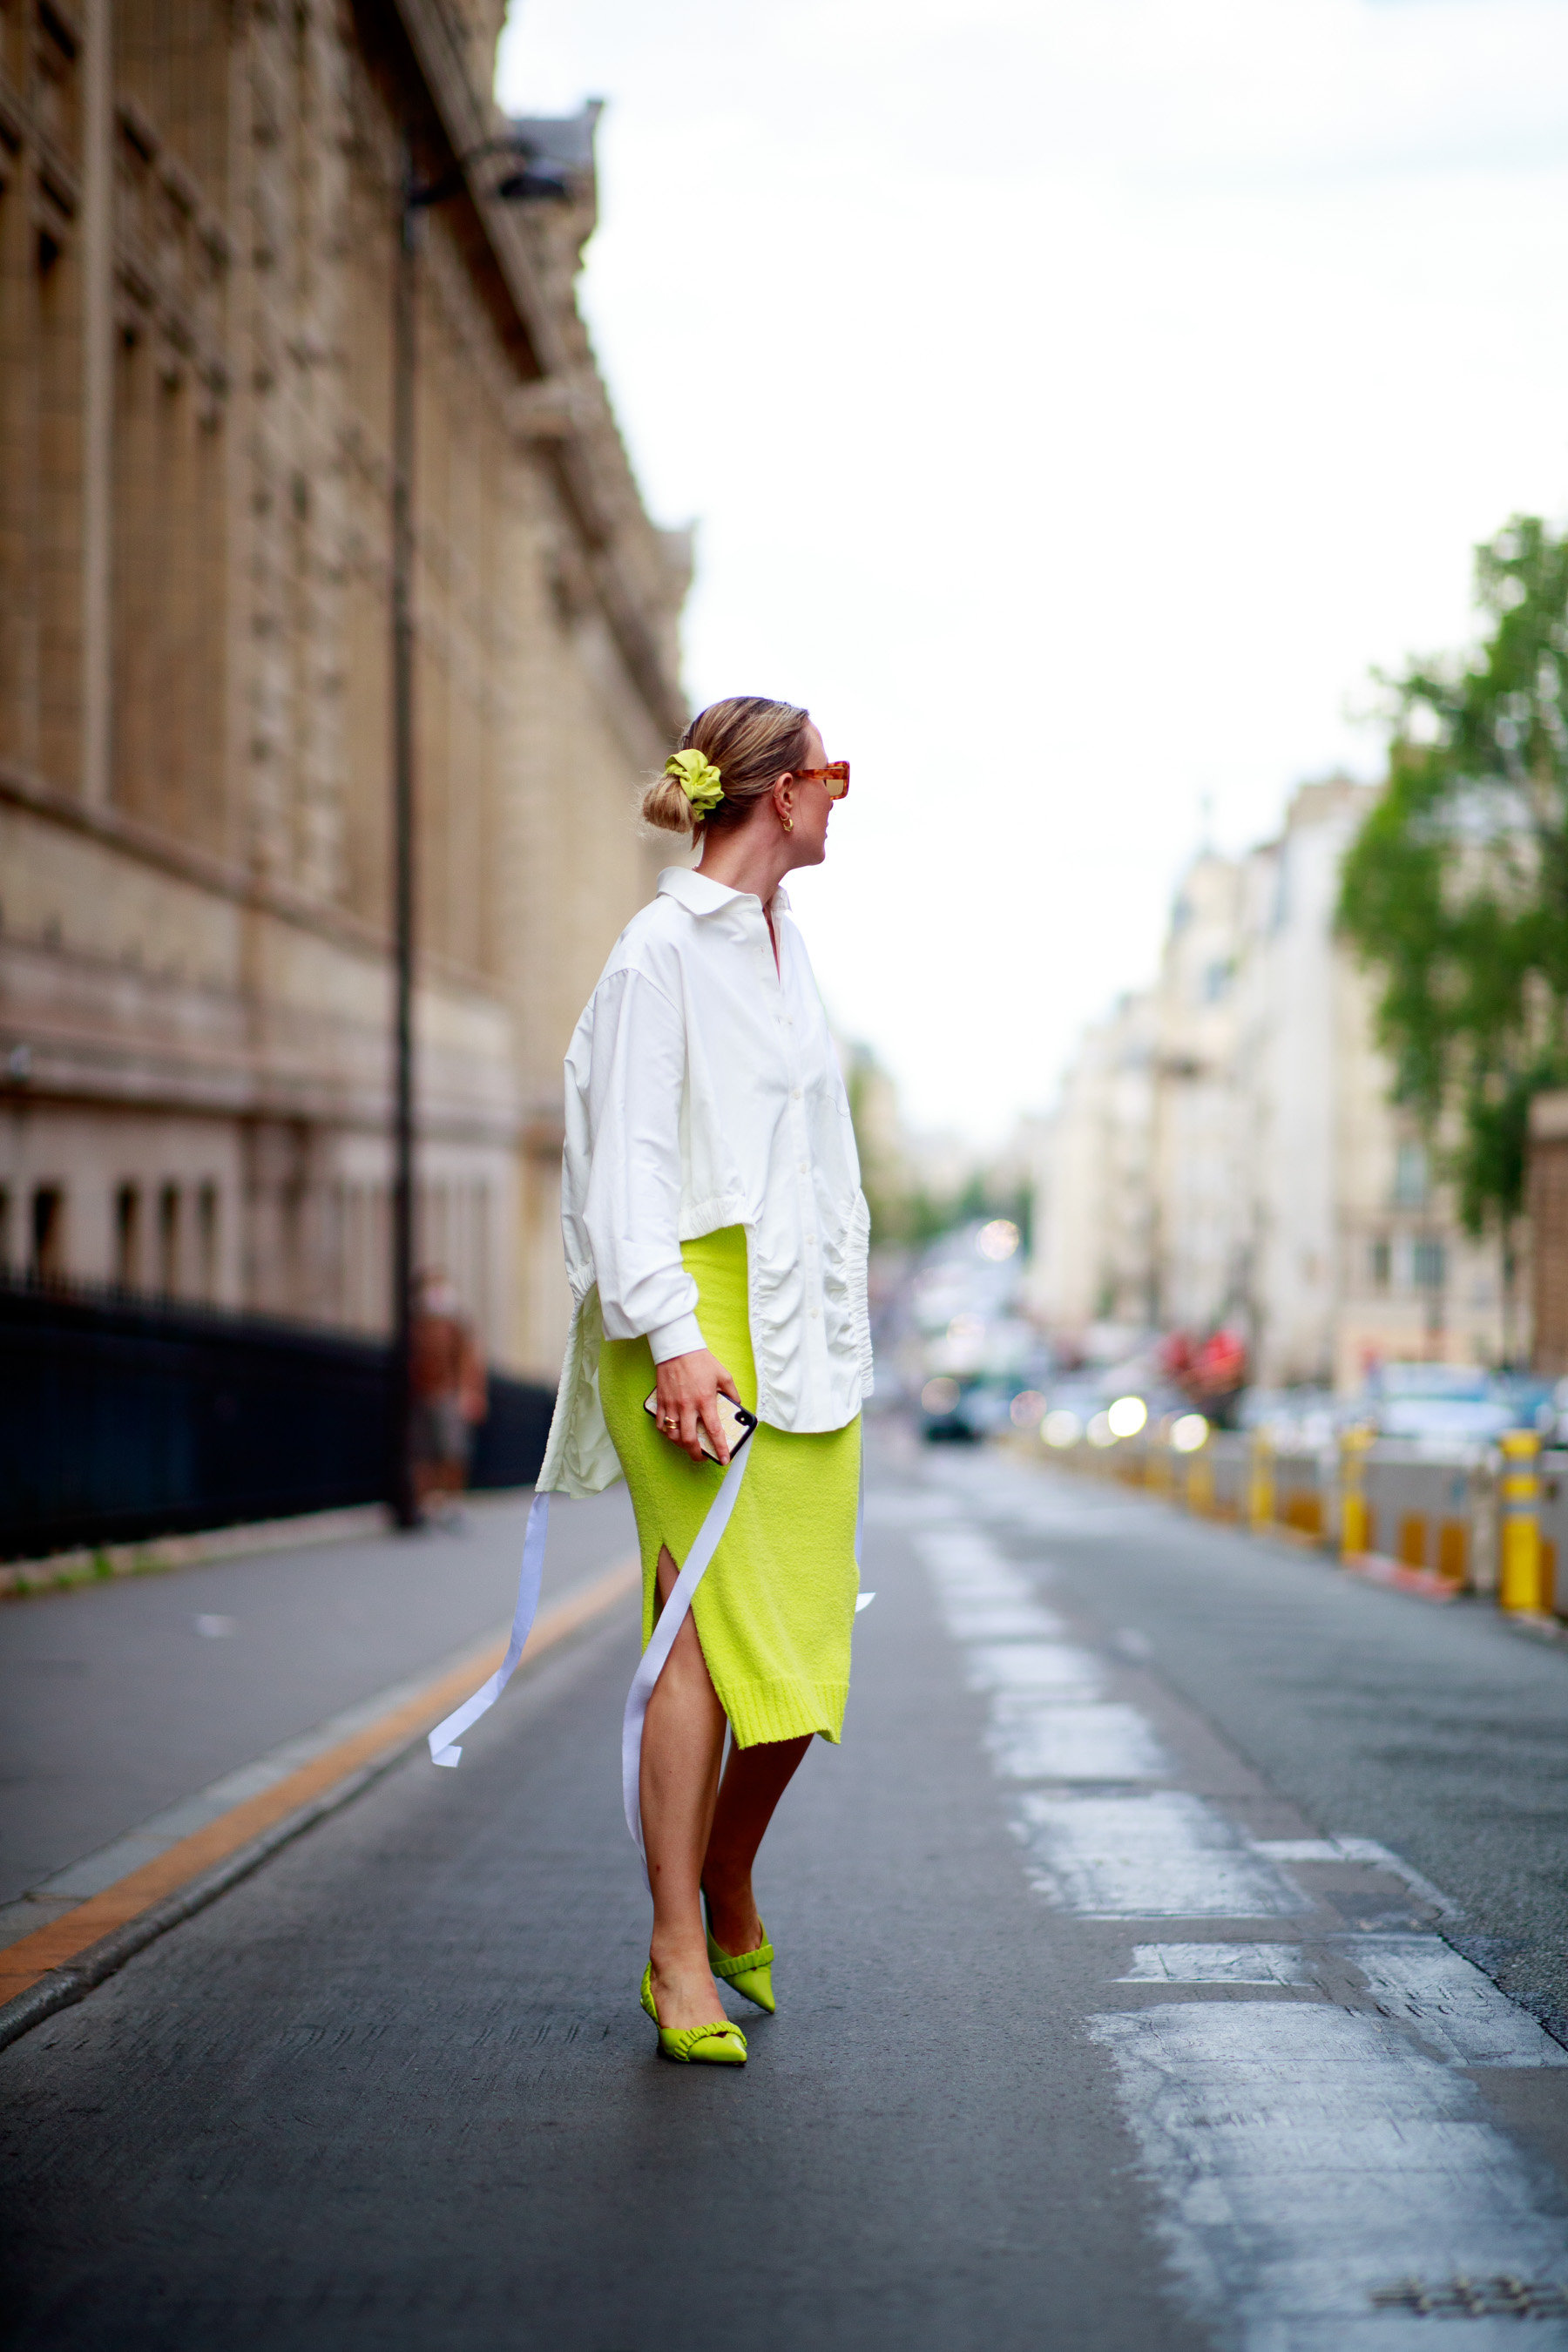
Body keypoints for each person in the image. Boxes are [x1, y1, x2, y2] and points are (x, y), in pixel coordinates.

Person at [534, 695, 871, 2066]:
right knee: (691, 1643)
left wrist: (850, 1324)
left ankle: (730, 1869)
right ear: (782, 793)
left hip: (806, 1323)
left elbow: (824, 1162)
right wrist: (673, 1337)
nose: (846, 797)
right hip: (694, 1309)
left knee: (805, 1651)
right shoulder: (656, 955)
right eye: (835, 775)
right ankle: (679, 1943)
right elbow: (630, 1168)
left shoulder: (793, 951)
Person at [410, 1271, 487, 1520]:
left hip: (449, 1394)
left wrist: (470, 1393)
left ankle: (450, 1501)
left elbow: (468, 1361)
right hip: (422, 1394)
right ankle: (425, 1503)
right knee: (422, 1452)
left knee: (453, 1451)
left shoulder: (456, 1329)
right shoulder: (417, 1327)